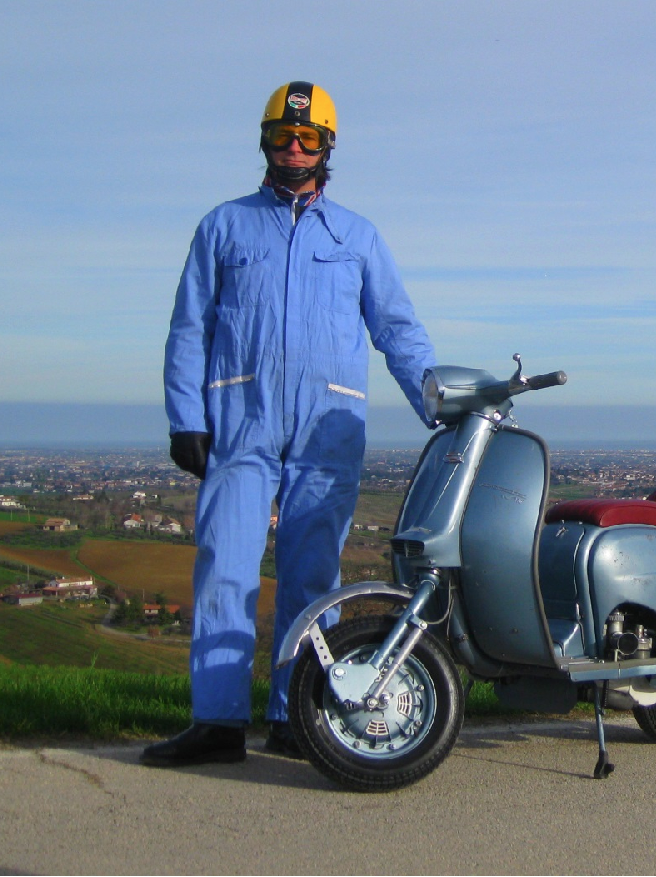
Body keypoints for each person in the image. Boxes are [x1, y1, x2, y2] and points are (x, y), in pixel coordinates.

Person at [142, 81, 436, 767]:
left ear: (327, 147)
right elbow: (189, 327)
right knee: (225, 568)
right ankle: (217, 722)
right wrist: (185, 416)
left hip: (328, 427)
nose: (294, 149)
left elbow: (397, 329)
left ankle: (296, 717)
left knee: (313, 579)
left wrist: (436, 400)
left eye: (308, 138)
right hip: (238, 423)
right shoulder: (223, 227)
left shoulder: (357, 236)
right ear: (265, 141)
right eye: (283, 136)